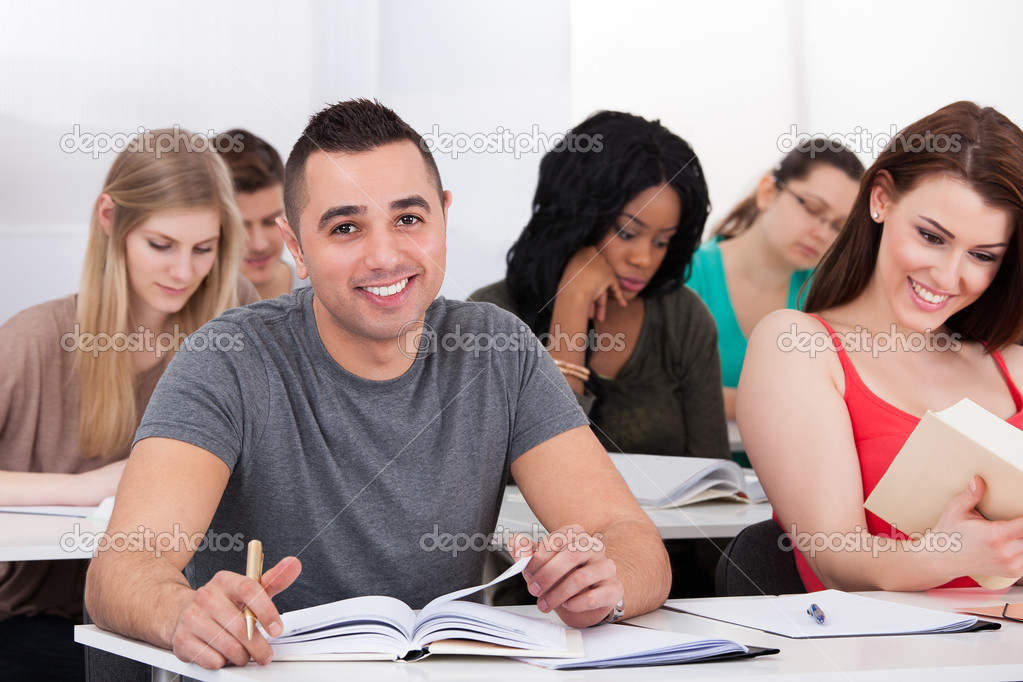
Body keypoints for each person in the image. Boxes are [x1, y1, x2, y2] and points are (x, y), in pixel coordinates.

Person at [85, 99, 671, 670]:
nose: (385, 255)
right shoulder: (226, 358)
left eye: (409, 219)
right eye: (345, 228)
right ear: (297, 248)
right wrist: (185, 611)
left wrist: (606, 582)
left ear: (443, 214)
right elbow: (124, 566)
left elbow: (630, 539)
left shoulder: (499, 350)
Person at [0, 128, 254, 679]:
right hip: (41, 619)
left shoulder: (239, 330)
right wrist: (88, 486)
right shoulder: (32, 340)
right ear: (110, 220)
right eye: (161, 245)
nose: (184, 272)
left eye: (203, 249)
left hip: (202, 614)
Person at [738, 101, 1023, 592]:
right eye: (932, 237)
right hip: (879, 661)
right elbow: (835, 556)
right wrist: (947, 554)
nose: (949, 276)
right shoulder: (798, 347)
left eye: (981, 255)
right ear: (882, 199)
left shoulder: (1011, 363)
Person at [471, 110, 728, 460]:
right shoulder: (492, 317)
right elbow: (549, 467)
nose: (644, 259)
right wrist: (572, 304)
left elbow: (715, 479)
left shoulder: (684, 317)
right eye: (627, 233)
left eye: (661, 241)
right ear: (578, 219)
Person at [686, 139, 863, 428]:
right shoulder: (687, 275)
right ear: (768, 192)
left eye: (839, 227)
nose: (821, 233)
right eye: (813, 209)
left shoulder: (829, 297)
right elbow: (665, 395)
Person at [215, 129, 304, 299]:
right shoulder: (183, 310)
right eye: (240, 227)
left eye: (271, 221)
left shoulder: (324, 299)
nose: (260, 245)